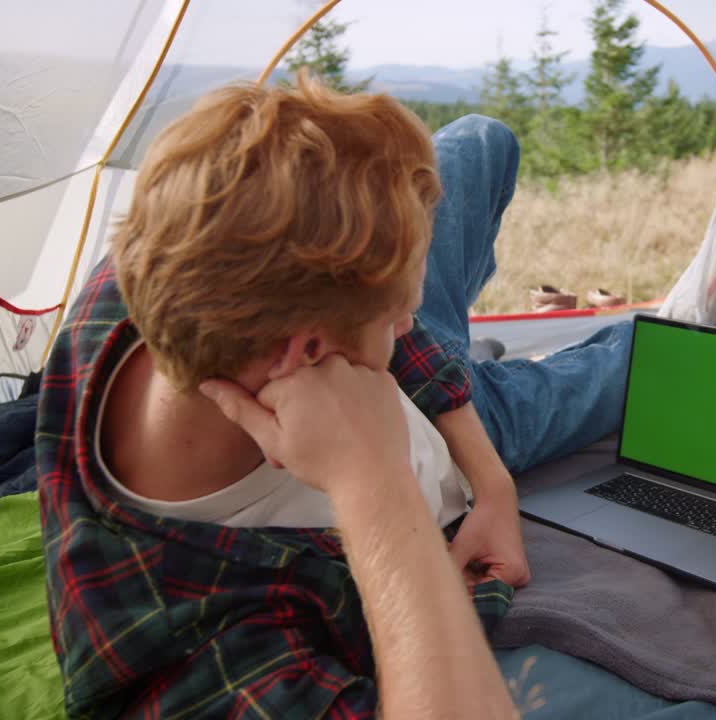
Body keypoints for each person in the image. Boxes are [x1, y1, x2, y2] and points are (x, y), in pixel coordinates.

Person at [34, 73, 631, 717]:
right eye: (397, 314)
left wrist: (494, 488)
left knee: (484, 140)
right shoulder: (197, 647)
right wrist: (375, 483)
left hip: (445, 416)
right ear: (307, 355)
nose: (410, 325)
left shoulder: (168, 259)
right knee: (642, 359)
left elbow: (413, 341)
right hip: (480, 434)